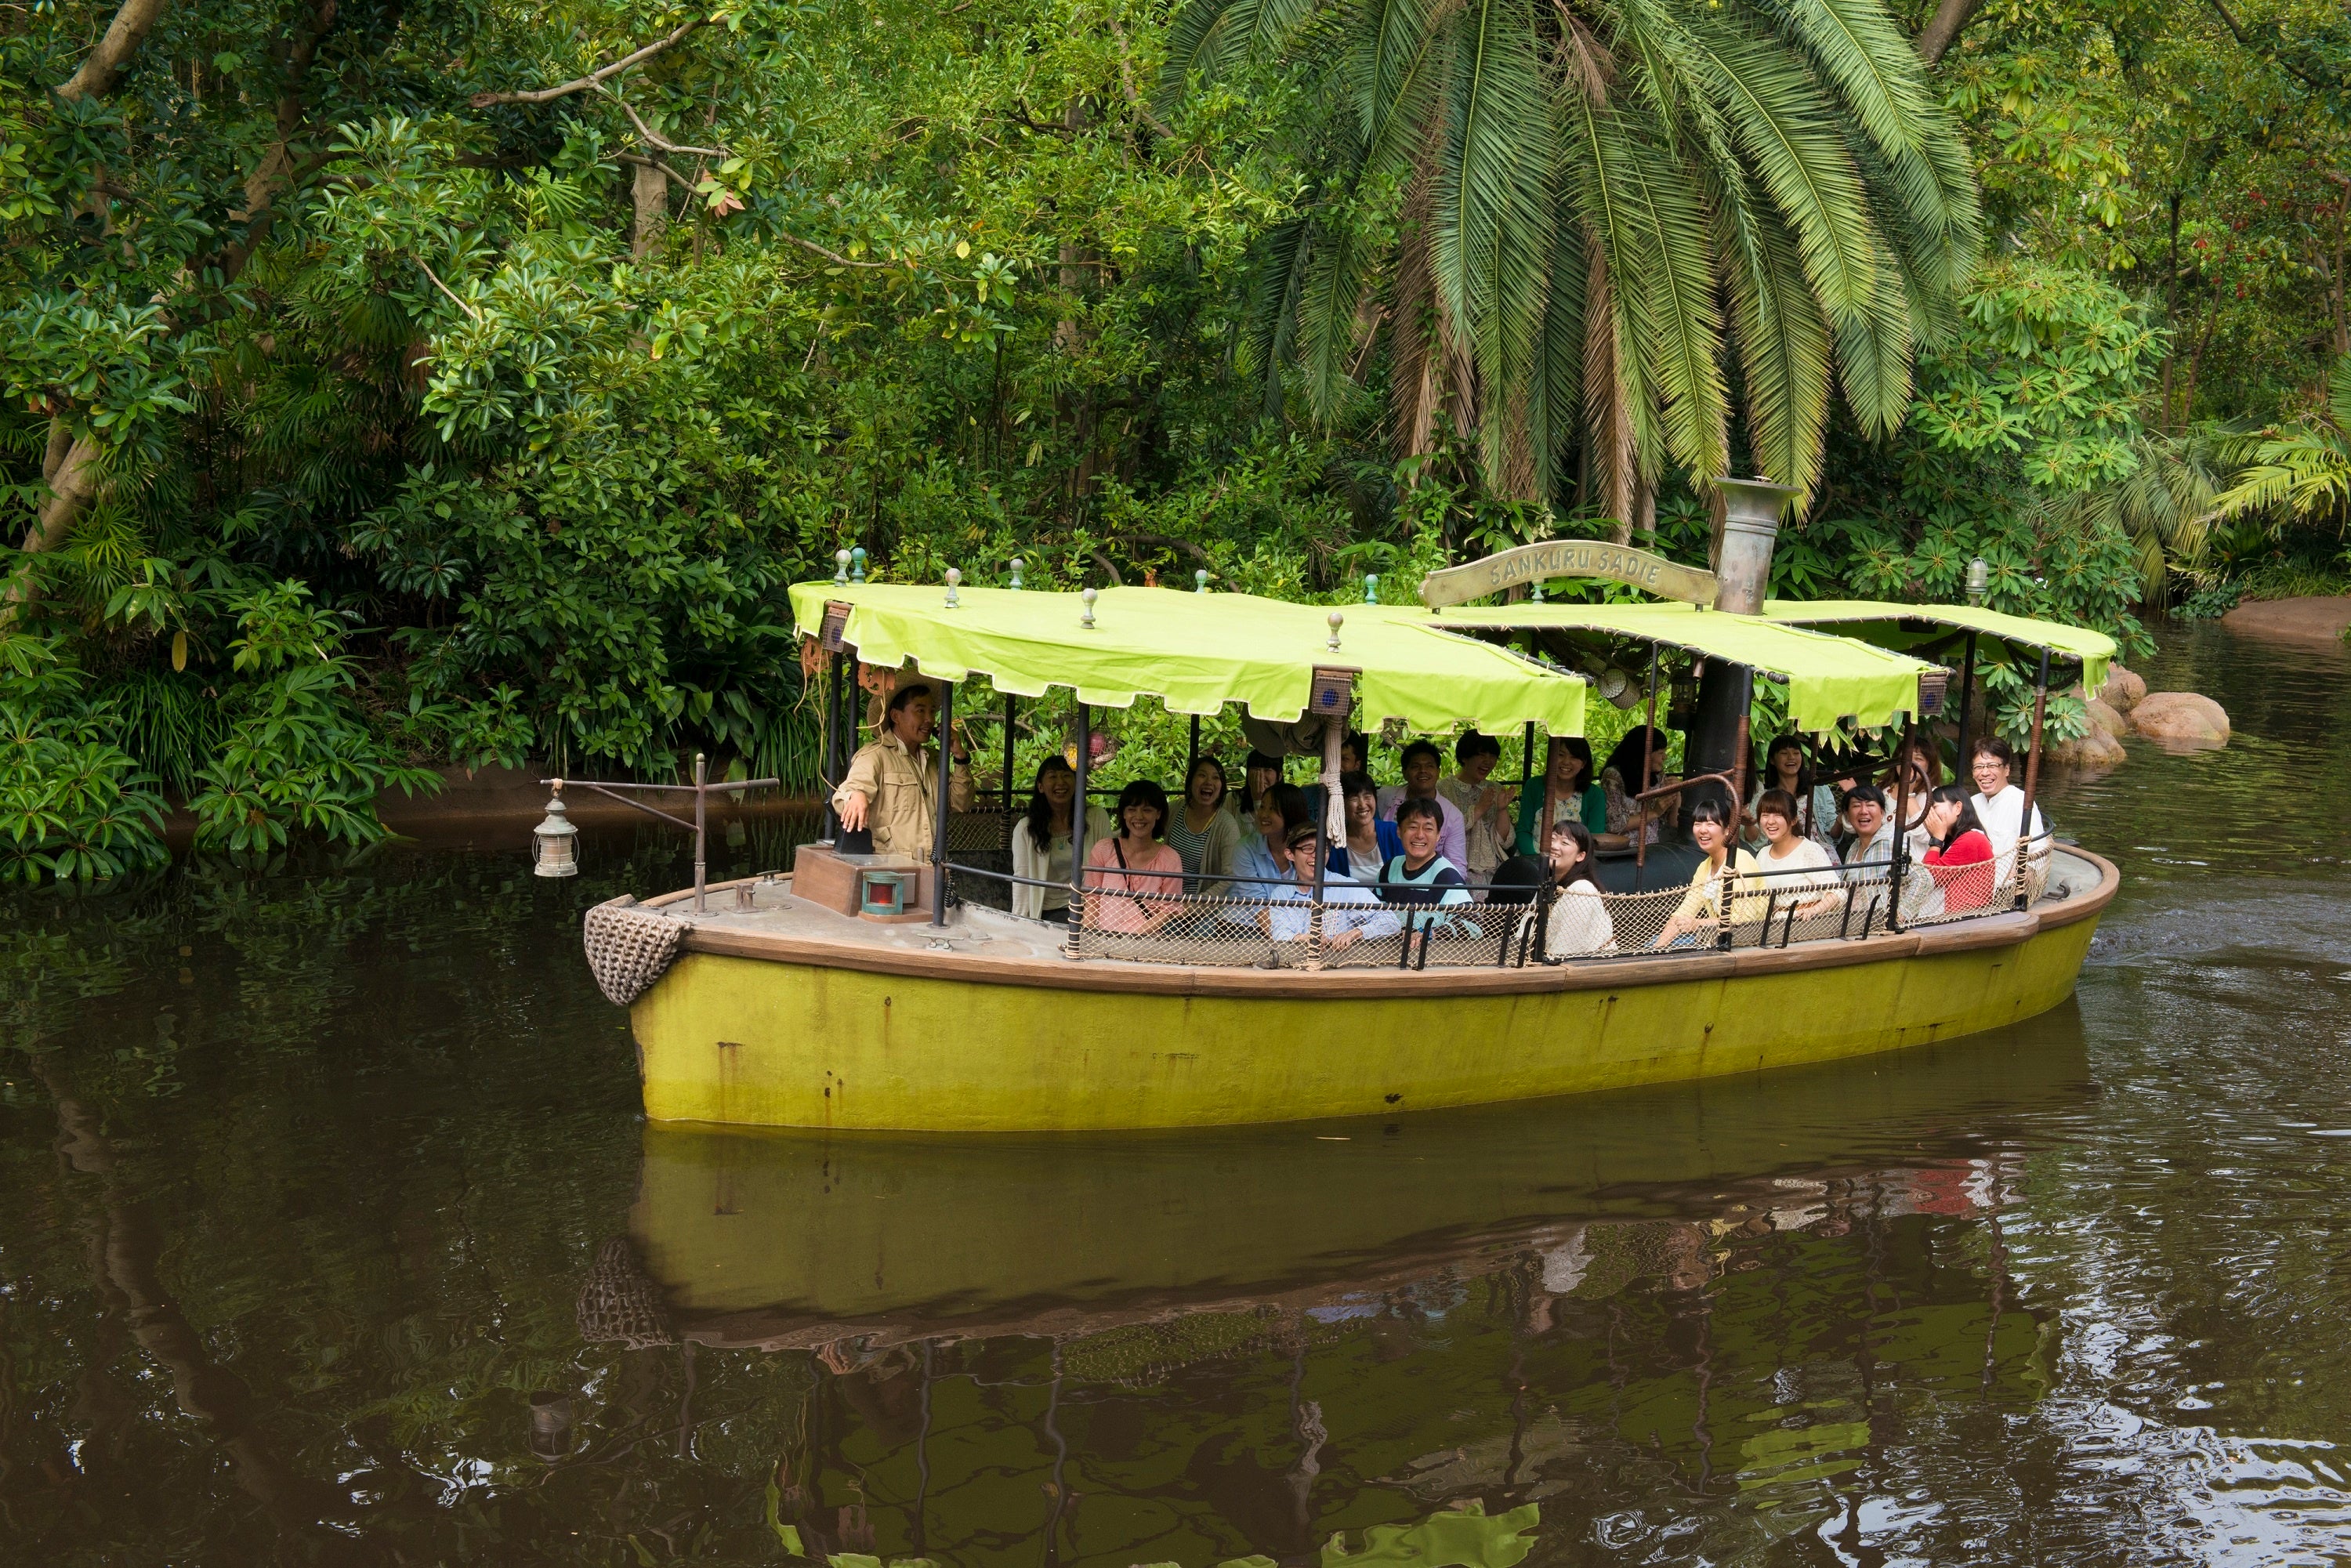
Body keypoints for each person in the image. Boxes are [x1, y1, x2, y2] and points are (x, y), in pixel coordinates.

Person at [832, 679, 976, 857]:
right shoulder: (875, 755)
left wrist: (960, 756)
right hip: (892, 867)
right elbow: (843, 797)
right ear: (896, 716)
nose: (929, 719)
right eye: (920, 711)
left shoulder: (933, 759)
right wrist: (856, 796)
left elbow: (961, 805)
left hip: (933, 865)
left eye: (932, 711)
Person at [1009, 756, 1116, 922]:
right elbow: (1021, 880)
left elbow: (1109, 870)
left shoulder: (1097, 817)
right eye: (1052, 776)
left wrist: (1107, 915)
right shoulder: (1025, 829)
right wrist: (1019, 923)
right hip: (1048, 911)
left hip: (1090, 908)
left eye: (1066, 775)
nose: (1060, 782)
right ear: (1040, 786)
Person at [1264, 824, 1401, 950]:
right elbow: (1279, 932)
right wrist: (1303, 939)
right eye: (1308, 849)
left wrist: (1356, 933)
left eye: (1323, 849)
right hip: (1298, 964)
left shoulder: (1346, 887)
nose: (1317, 855)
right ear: (1290, 854)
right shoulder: (1281, 894)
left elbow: (1390, 922)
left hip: (1342, 963)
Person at [1653, 798, 1763, 948]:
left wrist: (1699, 924)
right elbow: (1684, 912)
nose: (1702, 830)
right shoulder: (1704, 867)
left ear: (1728, 830)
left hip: (1751, 941)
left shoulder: (1741, 861)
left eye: (1710, 824)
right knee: (1653, 943)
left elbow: (1744, 920)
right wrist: (1657, 948)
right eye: (1698, 824)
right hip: (1720, 939)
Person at [1082, 780, 1186, 933]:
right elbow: (1093, 898)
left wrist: (1135, 938)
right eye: (1132, 809)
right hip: (1104, 938)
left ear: (1158, 814)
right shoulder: (1104, 849)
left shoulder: (1170, 858)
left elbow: (1169, 908)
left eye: (1147, 810)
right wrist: (1087, 934)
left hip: (1146, 941)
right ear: (1124, 813)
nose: (1139, 816)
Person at [1967, 736, 2048, 893]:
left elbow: (2039, 851)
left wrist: (2024, 873)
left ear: (2007, 769)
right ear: (1972, 772)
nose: (1985, 773)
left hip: (2007, 889)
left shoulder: (2021, 802)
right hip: (1971, 885)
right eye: (1979, 767)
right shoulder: (1972, 802)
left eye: (1992, 766)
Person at [1436, 730, 1516, 886]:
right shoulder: (1443, 789)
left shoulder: (1496, 789)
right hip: (1455, 864)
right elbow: (1442, 832)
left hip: (1493, 867)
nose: (1488, 761)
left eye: (1493, 756)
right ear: (1464, 757)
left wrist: (1502, 810)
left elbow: (1505, 841)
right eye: (1481, 755)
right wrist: (1478, 810)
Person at [1375, 739, 1468, 871]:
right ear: (1404, 773)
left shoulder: (1453, 816)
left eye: (1429, 766)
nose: (1423, 771)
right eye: (1415, 766)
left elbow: (1457, 865)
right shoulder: (1384, 798)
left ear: (1438, 772)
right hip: (1384, 871)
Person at [1752, 788, 1844, 922]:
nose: (1770, 821)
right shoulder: (1762, 854)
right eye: (1765, 815)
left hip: (1806, 925)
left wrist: (1812, 911)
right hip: (1774, 925)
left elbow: (1837, 893)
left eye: (1778, 815)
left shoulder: (1809, 850)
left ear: (1794, 820)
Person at [1512, 736, 1607, 856]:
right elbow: (1523, 831)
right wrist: (1538, 860)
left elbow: (1594, 838)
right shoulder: (1534, 786)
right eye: (1561, 755)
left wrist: (1569, 862)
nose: (1566, 762)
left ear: (1583, 763)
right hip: (1533, 859)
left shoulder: (1595, 795)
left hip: (1575, 862)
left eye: (1574, 757)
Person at [1374, 797, 1472, 910]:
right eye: (1413, 827)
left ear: (1438, 835)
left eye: (1428, 829)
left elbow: (1469, 920)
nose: (1420, 835)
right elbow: (1372, 913)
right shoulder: (1391, 867)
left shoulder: (1447, 877)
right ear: (1399, 831)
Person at [1543, 819, 1617, 958]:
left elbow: (1565, 950)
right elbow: (1525, 931)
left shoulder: (1581, 890)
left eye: (1564, 843)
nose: (1554, 846)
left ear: (1580, 856)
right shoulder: (1547, 885)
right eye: (1552, 839)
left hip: (1587, 966)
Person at [1165, 755, 1239, 890]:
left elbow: (1230, 879)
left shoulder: (1227, 825)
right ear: (1191, 780)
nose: (1209, 782)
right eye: (1202, 775)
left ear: (1221, 786)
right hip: (1165, 896)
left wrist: (1197, 902)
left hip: (1201, 901)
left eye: (1215, 777)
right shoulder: (1174, 809)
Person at [1920, 784, 1995, 912]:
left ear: (1957, 808)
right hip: (1955, 915)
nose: (1930, 814)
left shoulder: (1972, 839)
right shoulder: (1955, 839)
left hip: (1964, 917)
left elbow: (1929, 879)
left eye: (1935, 807)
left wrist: (1936, 839)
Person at [1598, 726, 1669, 849]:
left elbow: (1673, 822)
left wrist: (1676, 793)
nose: (1665, 757)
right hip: (1623, 850)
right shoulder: (1614, 776)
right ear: (1644, 754)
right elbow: (1614, 825)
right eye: (1660, 753)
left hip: (1653, 849)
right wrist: (1654, 813)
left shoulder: (1658, 777)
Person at [1339, 770, 1402, 878]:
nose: (1362, 805)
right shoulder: (1335, 841)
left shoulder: (1393, 832)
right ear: (1342, 803)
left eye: (1367, 797)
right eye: (1354, 798)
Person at [1234, 750, 1285, 820]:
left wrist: (1258, 801)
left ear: (1279, 776)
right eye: (1255, 769)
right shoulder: (1233, 799)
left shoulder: (1287, 803)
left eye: (1267, 770)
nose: (1260, 776)